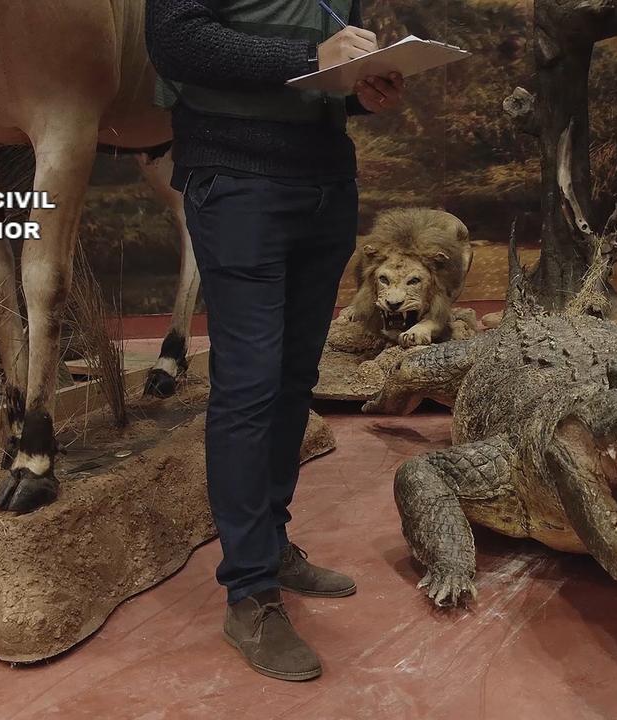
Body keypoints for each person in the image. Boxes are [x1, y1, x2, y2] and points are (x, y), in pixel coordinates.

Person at [146, 0, 402, 682]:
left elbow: (310, 77)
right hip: (237, 181)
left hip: (325, 183)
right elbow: (176, 42)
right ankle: (250, 593)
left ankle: (271, 543)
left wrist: (357, 93)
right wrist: (310, 58)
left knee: (292, 381)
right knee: (250, 384)